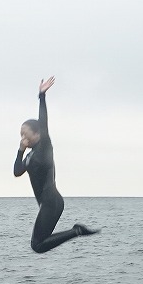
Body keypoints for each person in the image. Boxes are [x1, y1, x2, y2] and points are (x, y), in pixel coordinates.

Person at [14, 77, 98, 253]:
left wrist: (41, 96)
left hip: (52, 202)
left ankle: (77, 231)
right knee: (39, 244)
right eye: (20, 134)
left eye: (25, 133)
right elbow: (16, 172)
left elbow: (43, 121)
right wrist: (20, 151)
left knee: (37, 245)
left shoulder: (44, 147)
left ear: (37, 134)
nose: (22, 137)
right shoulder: (29, 156)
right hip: (47, 203)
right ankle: (76, 231)